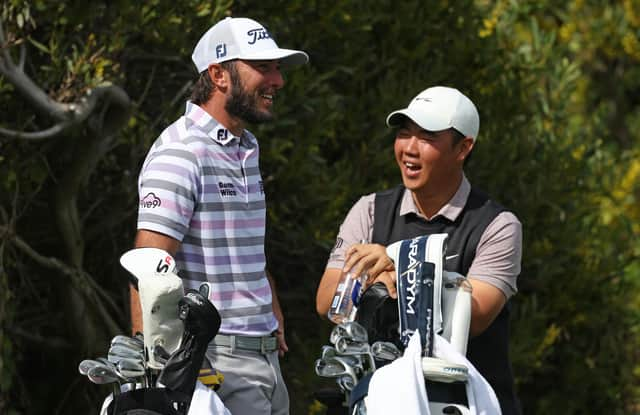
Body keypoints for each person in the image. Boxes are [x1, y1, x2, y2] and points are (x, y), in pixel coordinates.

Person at [131, 16, 308, 415]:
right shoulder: (181, 151)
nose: (278, 79)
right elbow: (149, 268)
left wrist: (268, 301)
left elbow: (237, 245)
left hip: (264, 359)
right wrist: (160, 371)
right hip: (214, 365)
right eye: (263, 67)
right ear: (218, 75)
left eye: (277, 67)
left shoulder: (246, 146)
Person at [316, 86, 522, 414]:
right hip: (374, 401)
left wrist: (396, 263)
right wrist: (385, 275)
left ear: (463, 147)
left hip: (464, 404)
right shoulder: (369, 210)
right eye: (403, 133)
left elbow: (476, 315)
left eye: (427, 137)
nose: (410, 148)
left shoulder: (498, 225)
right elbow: (328, 301)